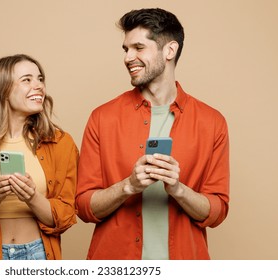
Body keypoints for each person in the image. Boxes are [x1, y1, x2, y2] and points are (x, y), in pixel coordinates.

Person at [76, 8, 229, 260]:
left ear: (169, 50)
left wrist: (178, 190)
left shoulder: (212, 122)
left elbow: (217, 211)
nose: (128, 57)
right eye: (126, 49)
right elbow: (83, 206)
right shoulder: (102, 117)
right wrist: (129, 186)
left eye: (138, 47)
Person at [0, 54, 79, 260]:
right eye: (27, 80)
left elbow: (63, 218)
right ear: (3, 90)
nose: (38, 86)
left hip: (37, 254)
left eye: (40, 79)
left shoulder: (61, 144)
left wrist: (31, 196)